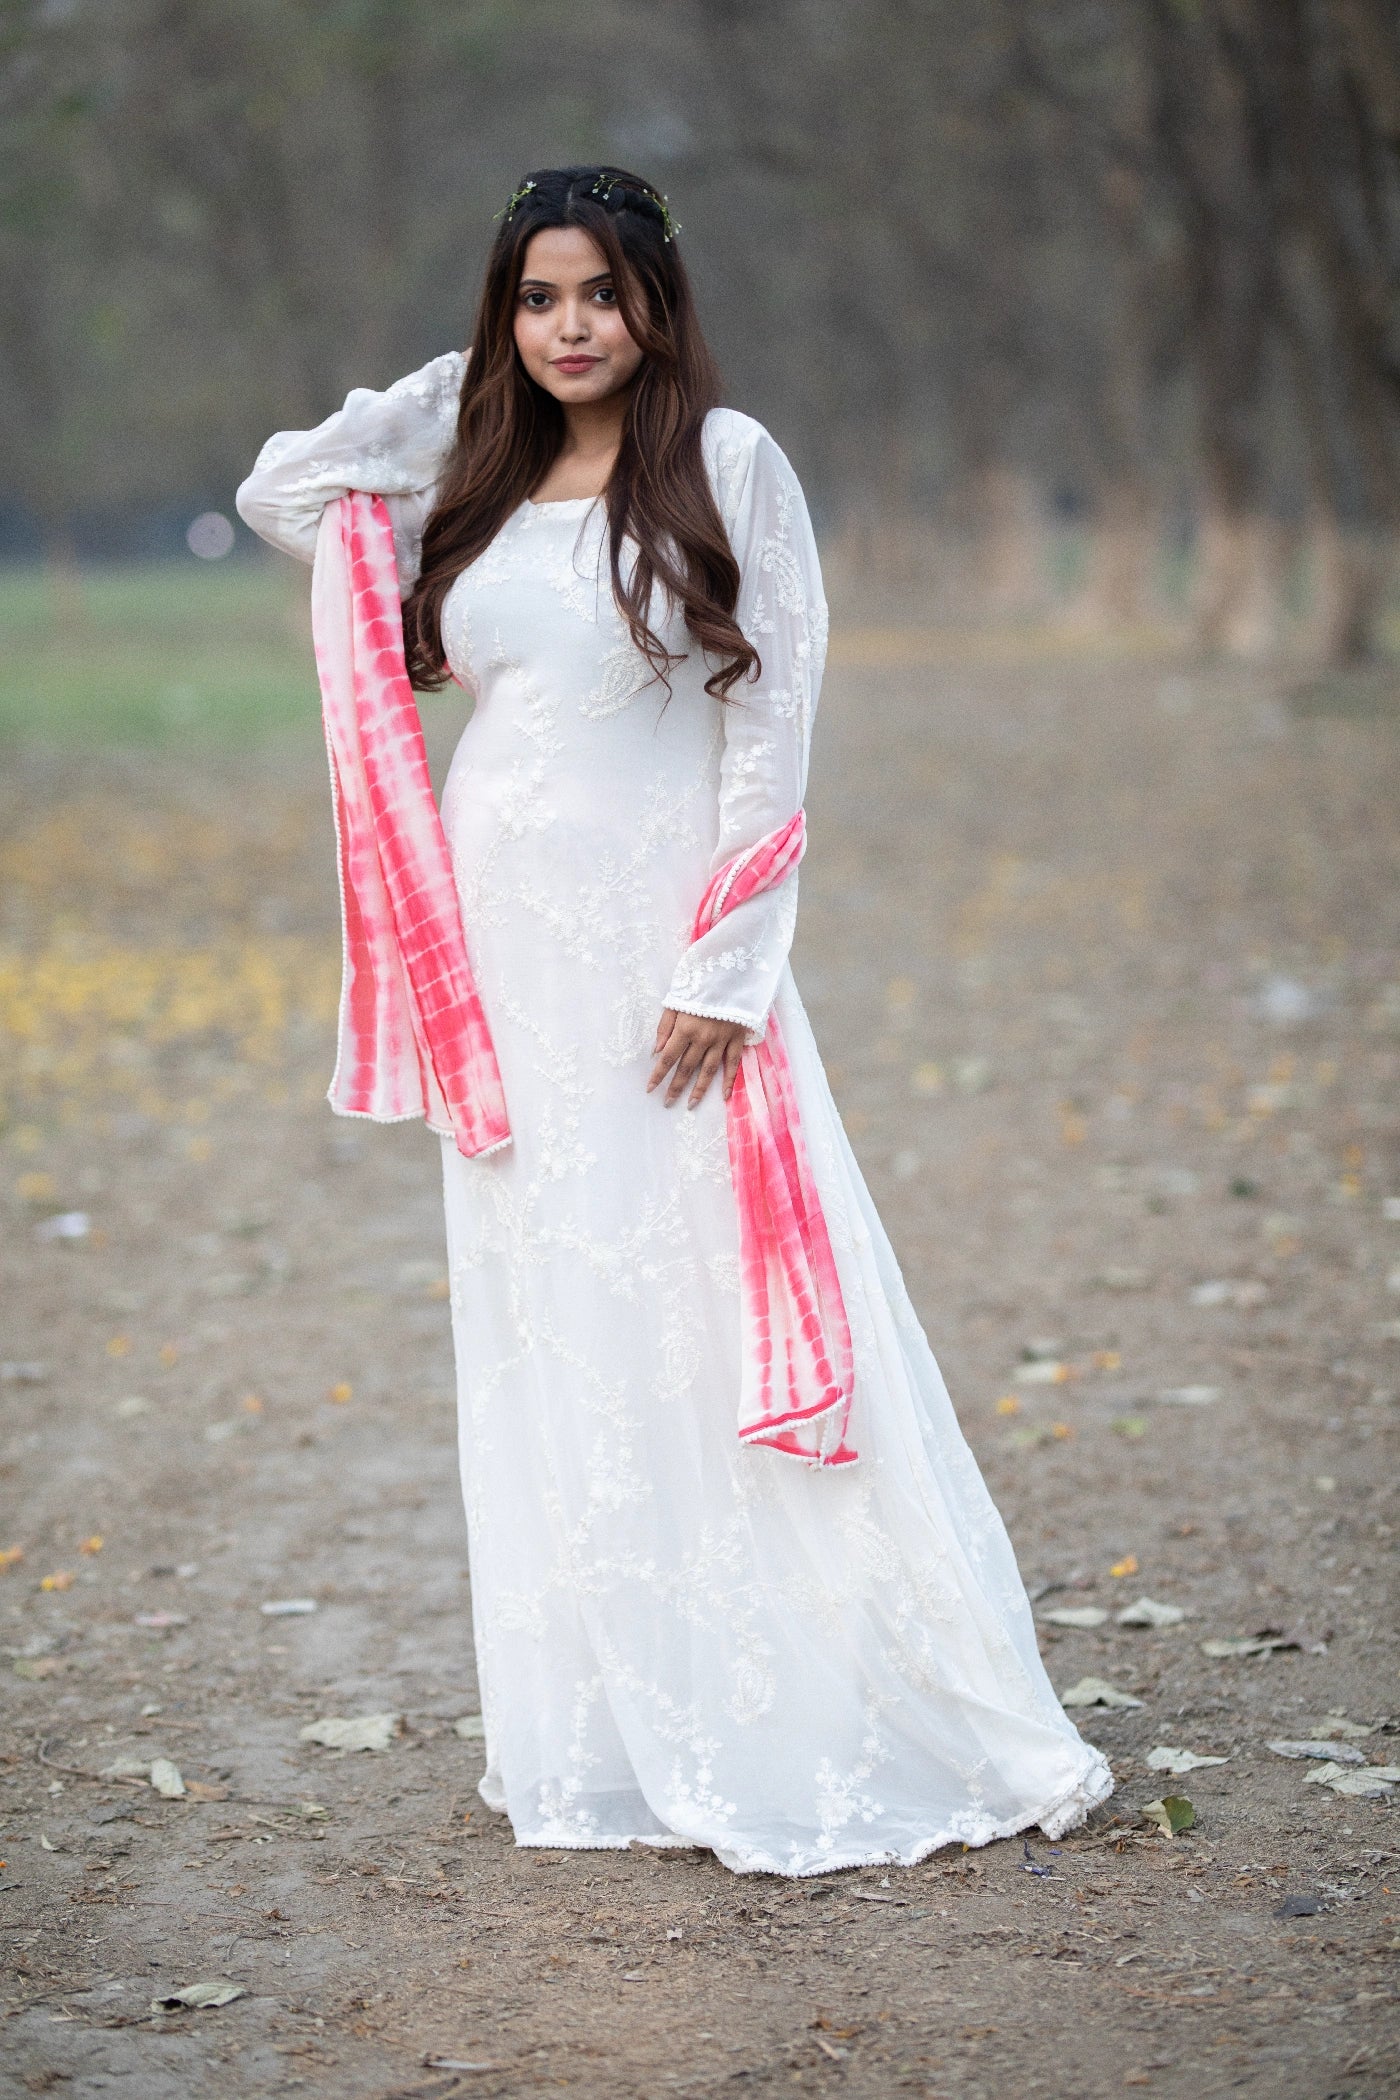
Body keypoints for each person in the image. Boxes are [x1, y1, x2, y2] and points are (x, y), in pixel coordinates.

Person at [236, 164, 1111, 1876]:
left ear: (659, 302)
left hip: (663, 963)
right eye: (537, 298)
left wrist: (726, 971)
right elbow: (288, 487)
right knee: (553, 1312)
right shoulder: (471, 484)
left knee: (705, 1303)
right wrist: (465, 379)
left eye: (600, 295)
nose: (571, 328)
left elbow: (772, 725)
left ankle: (799, 1698)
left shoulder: (729, 465)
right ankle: (611, 1726)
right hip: (500, 977)